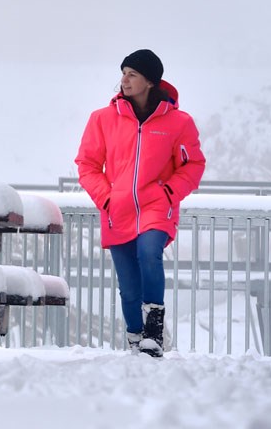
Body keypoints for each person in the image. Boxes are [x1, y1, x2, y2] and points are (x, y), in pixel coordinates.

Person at [75, 49, 206, 356]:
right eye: (123, 73)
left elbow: (193, 164)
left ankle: (154, 331)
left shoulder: (178, 122)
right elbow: (87, 164)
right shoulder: (102, 119)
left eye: (132, 74)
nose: (124, 80)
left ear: (150, 81)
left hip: (156, 206)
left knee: (150, 253)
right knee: (129, 287)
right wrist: (106, 197)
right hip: (117, 210)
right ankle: (136, 339)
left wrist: (170, 192)